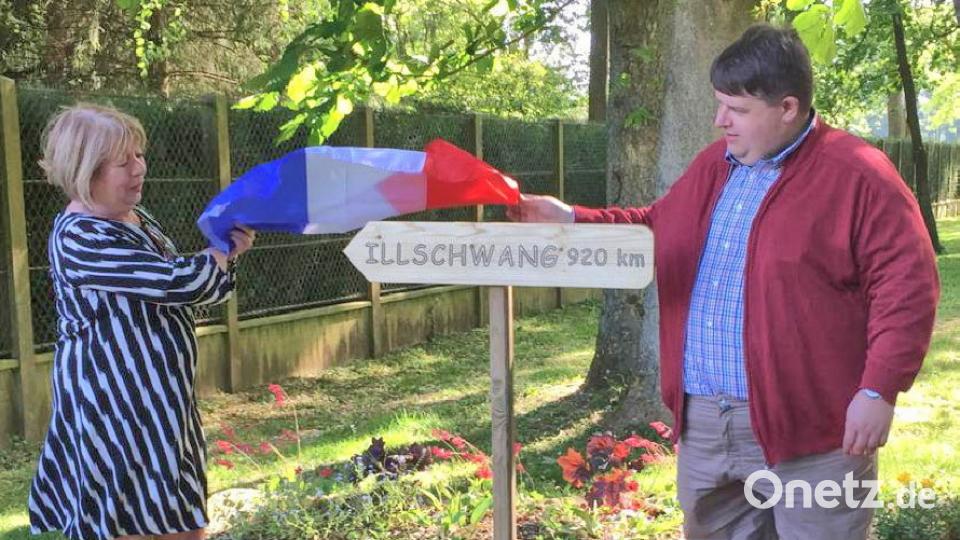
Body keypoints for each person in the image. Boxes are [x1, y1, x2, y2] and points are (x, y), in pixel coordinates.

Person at [509, 24, 939, 539]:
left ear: (787, 107)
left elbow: (906, 288)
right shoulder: (715, 165)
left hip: (814, 432)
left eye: (736, 110)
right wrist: (573, 218)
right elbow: (657, 224)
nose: (720, 122)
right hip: (707, 426)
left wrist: (878, 390)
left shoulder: (860, 175)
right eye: (719, 104)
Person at [27, 103, 255, 540]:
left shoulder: (134, 217)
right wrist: (222, 255)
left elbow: (195, 288)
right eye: (123, 161)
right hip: (115, 408)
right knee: (125, 521)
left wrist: (225, 253)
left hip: (161, 401)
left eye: (139, 155)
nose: (138, 168)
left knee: (181, 517)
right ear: (85, 171)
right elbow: (176, 283)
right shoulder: (81, 236)